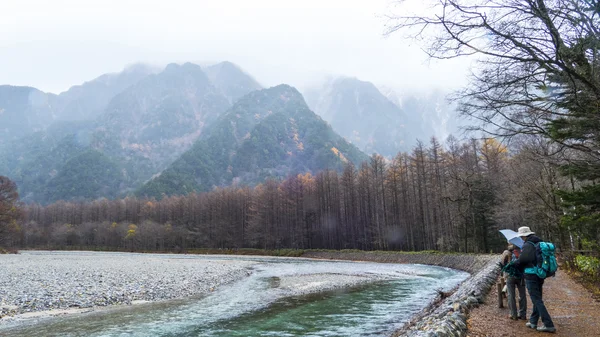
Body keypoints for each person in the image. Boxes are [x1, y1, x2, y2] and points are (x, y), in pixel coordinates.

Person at [514, 226, 556, 333]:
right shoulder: (538, 241)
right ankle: (533, 321)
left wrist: (515, 263)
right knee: (537, 298)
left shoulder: (528, 244)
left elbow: (523, 259)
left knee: (536, 300)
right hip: (539, 274)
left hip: (531, 275)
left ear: (523, 235)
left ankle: (548, 324)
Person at [501, 244, 526, 320]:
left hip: (510, 276)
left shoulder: (506, 252)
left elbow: (502, 264)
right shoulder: (523, 251)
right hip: (520, 275)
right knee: (522, 295)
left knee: (511, 295)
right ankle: (522, 314)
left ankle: (513, 314)